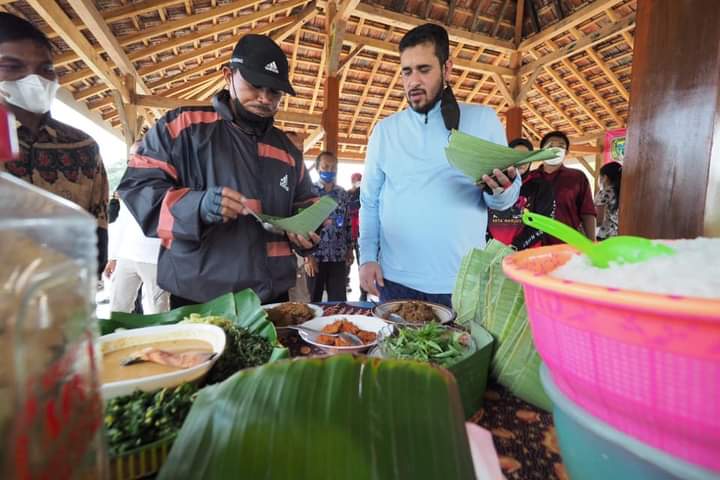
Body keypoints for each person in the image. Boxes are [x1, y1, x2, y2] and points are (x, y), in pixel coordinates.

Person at [118, 34, 320, 308]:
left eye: (274, 91)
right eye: (255, 85)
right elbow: (138, 189)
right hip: (198, 297)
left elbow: (307, 205)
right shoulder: (182, 127)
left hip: (271, 300)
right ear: (228, 76)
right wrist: (196, 205)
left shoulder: (288, 150)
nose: (264, 98)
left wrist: (306, 231)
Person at [359, 23, 520, 307]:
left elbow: (504, 201)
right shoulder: (385, 131)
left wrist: (501, 189)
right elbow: (369, 202)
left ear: (447, 69)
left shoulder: (482, 121)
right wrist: (368, 257)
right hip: (395, 282)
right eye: (406, 71)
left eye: (424, 69)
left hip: (460, 283)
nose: (413, 81)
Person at [0, 13, 109, 277]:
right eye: (12, 66)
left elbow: (97, 233)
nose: (34, 78)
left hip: (60, 302)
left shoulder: (82, 146)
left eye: (45, 69)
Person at [524, 130, 596, 243]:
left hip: (567, 243)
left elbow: (587, 212)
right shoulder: (530, 178)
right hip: (532, 244)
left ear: (566, 152)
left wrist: (592, 242)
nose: (556, 149)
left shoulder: (577, 177)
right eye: (551, 145)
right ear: (542, 150)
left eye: (561, 146)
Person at [104, 196, 169, 314]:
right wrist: (113, 257)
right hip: (126, 255)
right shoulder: (131, 185)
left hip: (155, 257)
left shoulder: (165, 182)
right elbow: (121, 222)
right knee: (118, 308)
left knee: (159, 310)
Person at [487, 138, 556, 250]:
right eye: (516, 156)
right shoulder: (491, 185)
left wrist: (516, 247)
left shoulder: (541, 186)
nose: (522, 161)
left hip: (526, 255)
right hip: (492, 253)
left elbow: (544, 224)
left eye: (526, 157)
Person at [304, 151, 354, 302]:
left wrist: (350, 249)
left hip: (338, 256)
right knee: (314, 302)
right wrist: (308, 256)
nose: (329, 170)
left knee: (338, 302)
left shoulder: (342, 194)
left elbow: (347, 222)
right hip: (316, 257)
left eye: (333, 167)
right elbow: (303, 225)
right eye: (325, 166)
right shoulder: (308, 192)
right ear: (318, 168)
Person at [347, 172, 366, 301]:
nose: (357, 181)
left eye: (359, 179)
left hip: (361, 235)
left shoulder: (365, 193)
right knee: (346, 262)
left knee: (362, 263)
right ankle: (345, 282)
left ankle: (363, 291)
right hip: (349, 234)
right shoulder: (348, 194)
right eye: (355, 179)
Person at [595, 161, 622, 240]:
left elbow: (598, 220)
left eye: (600, 177)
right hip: (621, 235)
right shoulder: (625, 192)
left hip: (606, 236)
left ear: (605, 177)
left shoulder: (604, 193)